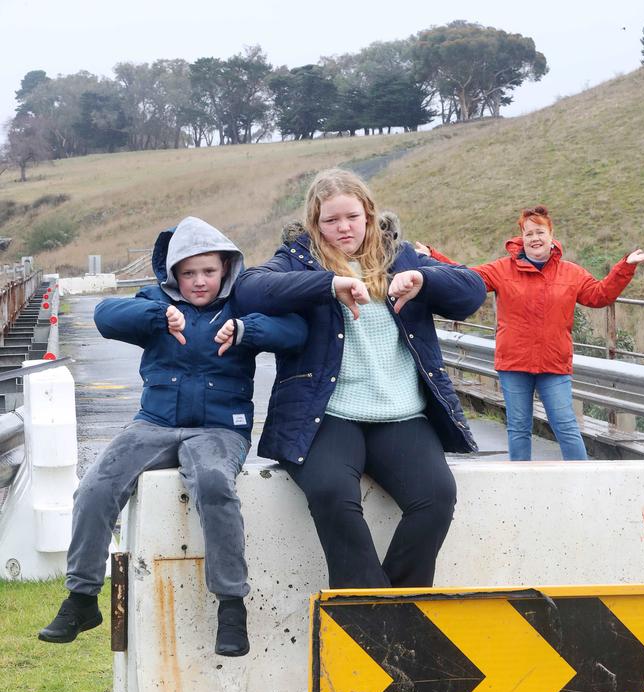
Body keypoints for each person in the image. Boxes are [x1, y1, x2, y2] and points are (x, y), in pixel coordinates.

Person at [38, 216, 306, 655]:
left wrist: (246, 330)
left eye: (208, 271)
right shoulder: (157, 301)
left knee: (215, 484)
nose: (198, 281)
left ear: (225, 269)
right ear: (173, 274)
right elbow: (107, 315)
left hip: (220, 430)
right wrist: (158, 314)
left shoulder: (241, 304)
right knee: (95, 486)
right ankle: (82, 599)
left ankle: (232, 607)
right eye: (188, 272)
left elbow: (295, 331)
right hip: (154, 424)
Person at [229, 168, 486, 589]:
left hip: (401, 414)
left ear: (369, 214)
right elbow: (250, 289)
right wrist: (329, 284)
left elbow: (472, 290)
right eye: (331, 220)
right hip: (326, 414)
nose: (343, 228)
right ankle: (369, 612)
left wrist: (425, 279)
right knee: (331, 494)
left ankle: (398, 611)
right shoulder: (298, 259)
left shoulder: (402, 257)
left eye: (351, 216)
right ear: (316, 223)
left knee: (436, 499)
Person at [415, 207, 644, 461]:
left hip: (554, 365)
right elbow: (466, 279)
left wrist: (624, 268)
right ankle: (520, 491)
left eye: (540, 232)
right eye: (529, 233)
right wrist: (433, 257)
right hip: (514, 364)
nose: (535, 238)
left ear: (551, 235)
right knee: (518, 429)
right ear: (521, 237)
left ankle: (584, 486)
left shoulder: (571, 272)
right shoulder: (502, 269)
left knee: (566, 428)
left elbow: (599, 295)